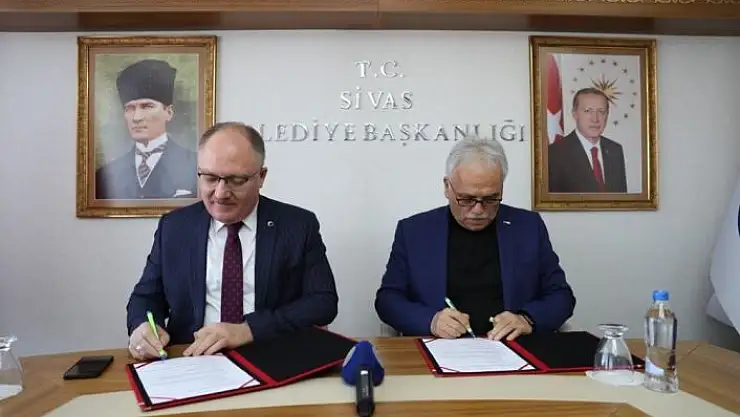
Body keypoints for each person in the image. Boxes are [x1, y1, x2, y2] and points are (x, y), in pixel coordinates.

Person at [126, 122, 339, 360]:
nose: (220, 193)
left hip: (271, 354)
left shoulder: (297, 226)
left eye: (236, 180)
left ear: (261, 177)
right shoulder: (175, 228)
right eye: (210, 178)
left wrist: (249, 330)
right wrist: (142, 327)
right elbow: (145, 298)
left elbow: (323, 302)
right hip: (192, 358)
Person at [374, 136, 575, 341]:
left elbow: (561, 296)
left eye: (490, 199)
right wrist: (431, 321)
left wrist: (526, 319)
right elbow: (388, 300)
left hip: (512, 346)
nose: (478, 210)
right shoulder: (414, 232)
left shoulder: (528, 227)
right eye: (466, 199)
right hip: (441, 346)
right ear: (447, 187)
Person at [95, 59, 198, 200]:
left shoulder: (195, 166)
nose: (136, 117)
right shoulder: (104, 176)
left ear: (168, 112)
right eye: (129, 108)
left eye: (147, 106)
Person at [548, 87, 627, 193]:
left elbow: (621, 198)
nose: (595, 119)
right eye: (588, 111)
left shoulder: (615, 150)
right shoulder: (555, 153)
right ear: (575, 114)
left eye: (601, 111)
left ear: (607, 115)